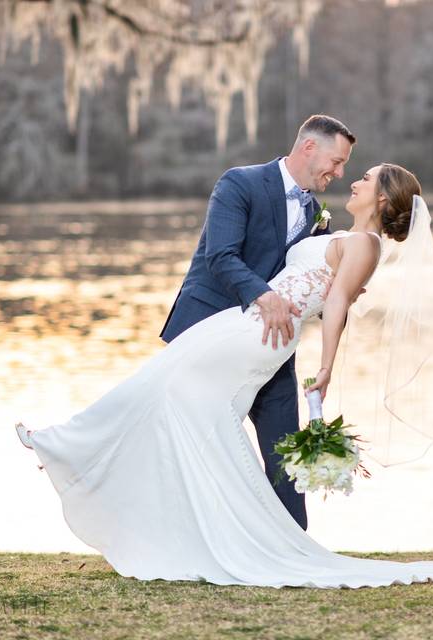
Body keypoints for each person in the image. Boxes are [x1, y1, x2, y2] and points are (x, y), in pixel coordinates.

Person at [14, 161, 433, 588]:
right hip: (249, 321)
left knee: (173, 389)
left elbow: (336, 305)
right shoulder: (339, 233)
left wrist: (326, 368)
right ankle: (184, 515)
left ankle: (67, 446)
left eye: (363, 178)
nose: (351, 181)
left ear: (381, 197)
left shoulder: (365, 245)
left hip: (265, 334)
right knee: (179, 395)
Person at [157, 114, 354, 531]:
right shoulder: (239, 183)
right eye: (336, 162)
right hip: (208, 332)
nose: (339, 173)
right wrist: (264, 296)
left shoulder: (318, 214)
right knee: (194, 442)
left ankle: (293, 547)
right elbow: (221, 256)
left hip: (273, 345)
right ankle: (182, 535)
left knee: (285, 446)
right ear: (308, 148)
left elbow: (302, 284)